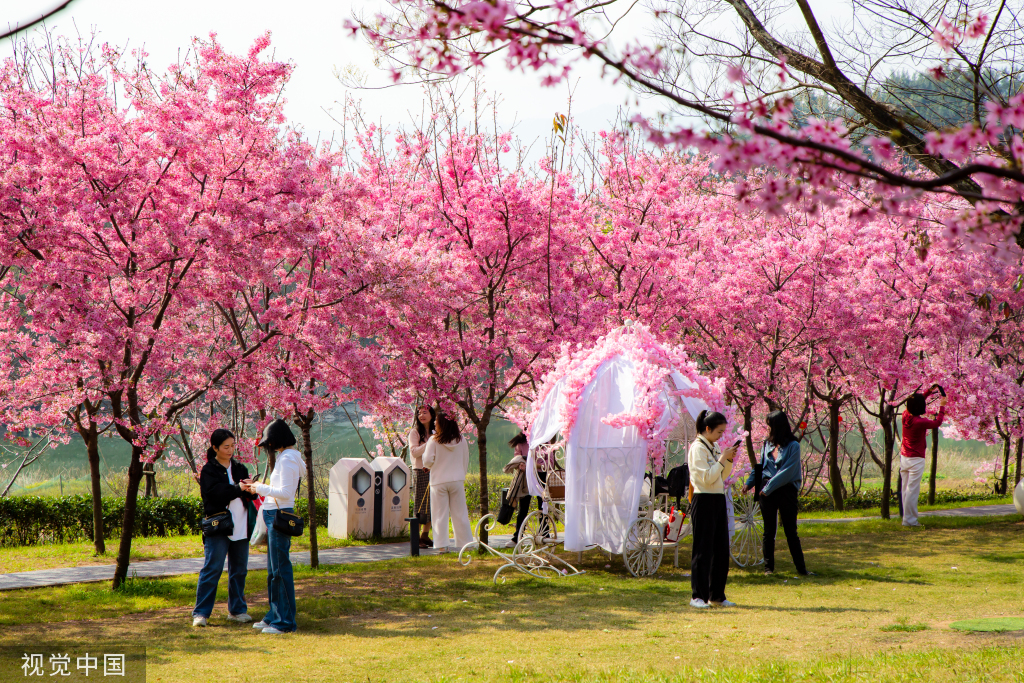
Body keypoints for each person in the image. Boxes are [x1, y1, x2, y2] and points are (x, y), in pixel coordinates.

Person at [243, 419, 304, 634]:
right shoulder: (286, 456)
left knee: (279, 570)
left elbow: (286, 493)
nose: (268, 447)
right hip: (274, 513)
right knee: (273, 571)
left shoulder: (287, 459)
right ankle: (274, 616)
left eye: (269, 443)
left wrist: (259, 487)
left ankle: (285, 622)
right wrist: (258, 487)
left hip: (278, 514)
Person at [192, 429, 256, 627]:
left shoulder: (239, 468)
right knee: (213, 568)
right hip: (219, 526)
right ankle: (201, 613)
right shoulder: (209, 470)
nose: (230, 450)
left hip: (241, 525)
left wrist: (252, 488)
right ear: (215, 448)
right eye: (226, 446)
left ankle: (237, 610)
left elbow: (249, 495)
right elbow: (214, 493)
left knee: (239, 570)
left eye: (232, 446)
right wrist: (238, 489)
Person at [743, 411, 809, 576]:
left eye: (770, 425)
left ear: (777, 426)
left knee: (790, 531)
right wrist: (749, 483)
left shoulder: (793, 446)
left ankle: (802, 569)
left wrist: (767, 488)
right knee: (768, 531)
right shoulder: (767, 444)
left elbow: (787, 472)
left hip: (785, 490)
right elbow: (762, 466)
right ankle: (768, 569)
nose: (768, 429)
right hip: (767, 491)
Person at [687, 409, 737, 609]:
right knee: (703, 549)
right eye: (718, 432)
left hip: (717, 499)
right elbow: (706, 478)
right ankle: (697, 596)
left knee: (720, 548)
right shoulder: (697, 448)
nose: (720, 436)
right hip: (704, 499)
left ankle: (717, 595)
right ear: (707, 429)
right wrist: (721, 459)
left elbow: (721, 476)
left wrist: (728, 459)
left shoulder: (713, 446)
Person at [423, 411, 472, 553]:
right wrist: (461, 474)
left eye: (436, 421)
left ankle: (442, 546)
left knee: (439, 514)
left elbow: (427, 461)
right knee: (460, 513)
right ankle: (465, 544)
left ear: (441, 423)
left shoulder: (434, 440)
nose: (434, 423)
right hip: (457, 479)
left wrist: (430, 466)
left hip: (439, 480)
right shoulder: (461, 439)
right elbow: (465, 460)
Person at [900, 388, 947, 527]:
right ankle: (910, 521)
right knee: (912, 491)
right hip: (916, 459)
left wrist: (927, 393)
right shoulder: (920, 422)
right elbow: (937, 423)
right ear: (921, 407)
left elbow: (915, 403)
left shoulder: (905, 415)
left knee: (905, 490)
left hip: (904, 457)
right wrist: (942, 406)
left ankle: (907, 519)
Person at [503, 432, 544, 549]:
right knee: (523, 508)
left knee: (542, 506)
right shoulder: (521, 443)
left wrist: (531, 465)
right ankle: (517, 537)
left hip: (541, 476)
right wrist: (521, 464)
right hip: (525, 477)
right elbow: (517, 459)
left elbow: (549, 463)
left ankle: (544, 534)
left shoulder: (544, 441)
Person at [408, 405, 436, 549]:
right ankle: (416, 537)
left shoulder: (435, 432)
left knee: (432, 504)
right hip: (420, 471)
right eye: (419, 413)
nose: (421, 415)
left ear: (432, 414)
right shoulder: (415, 432)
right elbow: (414, 452)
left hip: (435, 471)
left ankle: (425, 535)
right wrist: (430, 443)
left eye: (425, 412)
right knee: (420, 504)